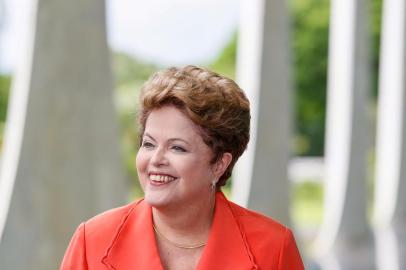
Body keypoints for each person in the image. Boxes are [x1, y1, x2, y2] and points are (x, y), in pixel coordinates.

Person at [60, 66, 304, 269]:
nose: (156, 159)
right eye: (148, 144)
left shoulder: (274, 249)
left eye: (177, 148)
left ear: (219, 163)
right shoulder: (90, 241)